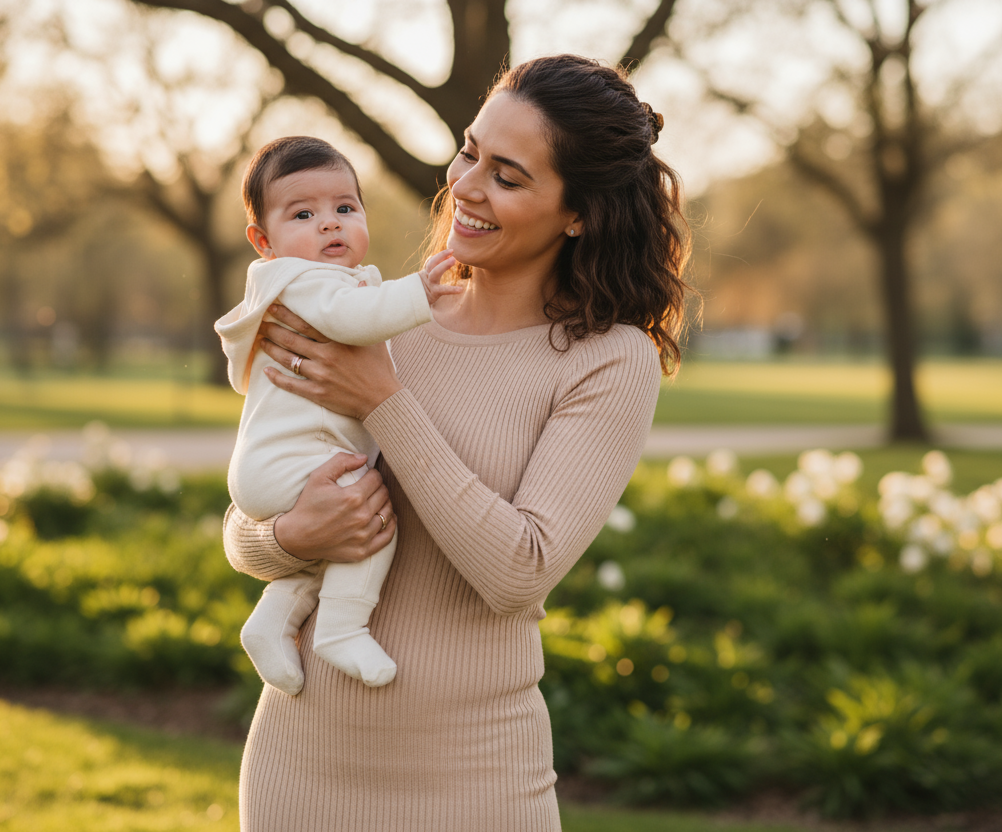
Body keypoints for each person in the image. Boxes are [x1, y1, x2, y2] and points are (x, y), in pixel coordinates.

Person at [221, 54, 692, 830]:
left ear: (578, 212)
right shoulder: (375, 311)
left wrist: (383, 401)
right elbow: (250, 508)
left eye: (508, 176)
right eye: (470, 151)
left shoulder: (608, 360)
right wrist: (286, 536)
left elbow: (519, 571)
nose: (467, 186)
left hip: (473, 777)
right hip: (300, 762)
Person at [215, 135, 460, 694]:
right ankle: (341, 627)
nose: (330, 224)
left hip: (273, 467)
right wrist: (418, 292)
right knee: (368, 517)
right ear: (264, 242)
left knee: (330, 544)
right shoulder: (305, 283)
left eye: (345, 208)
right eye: (304, 214)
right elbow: (354, 320)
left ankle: (273, 619)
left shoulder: (307, 284)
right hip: (293, 464)